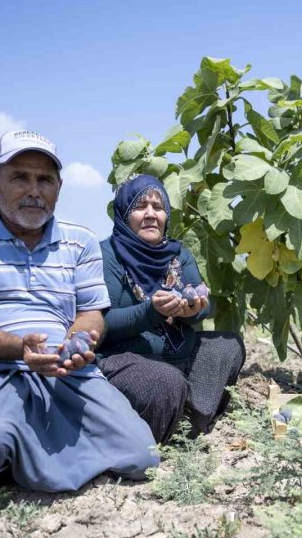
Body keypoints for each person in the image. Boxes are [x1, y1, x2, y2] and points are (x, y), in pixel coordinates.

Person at [0, 130, 158, 493]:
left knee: (142, 456)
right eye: (20, 176)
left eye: (45, 179)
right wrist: (20, 348)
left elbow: (90, 313)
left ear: (59, 187)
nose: (34, 190)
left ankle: (14, 451)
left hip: (64, 368)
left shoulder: (80, 241)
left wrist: (79, 342)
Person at [95, 174, 245, 444]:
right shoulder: (108, 255)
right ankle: (153, 434)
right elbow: (103, 323)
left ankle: (185, 420)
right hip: (126, 360)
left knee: (228, 345)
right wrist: (150, 312)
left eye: (159, 207)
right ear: (124, 213)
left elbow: (201, 301)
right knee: (165, 382)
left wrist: (193, 311)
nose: (151, 214)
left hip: (179, 354)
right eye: (140, 207)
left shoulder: (178, 254)